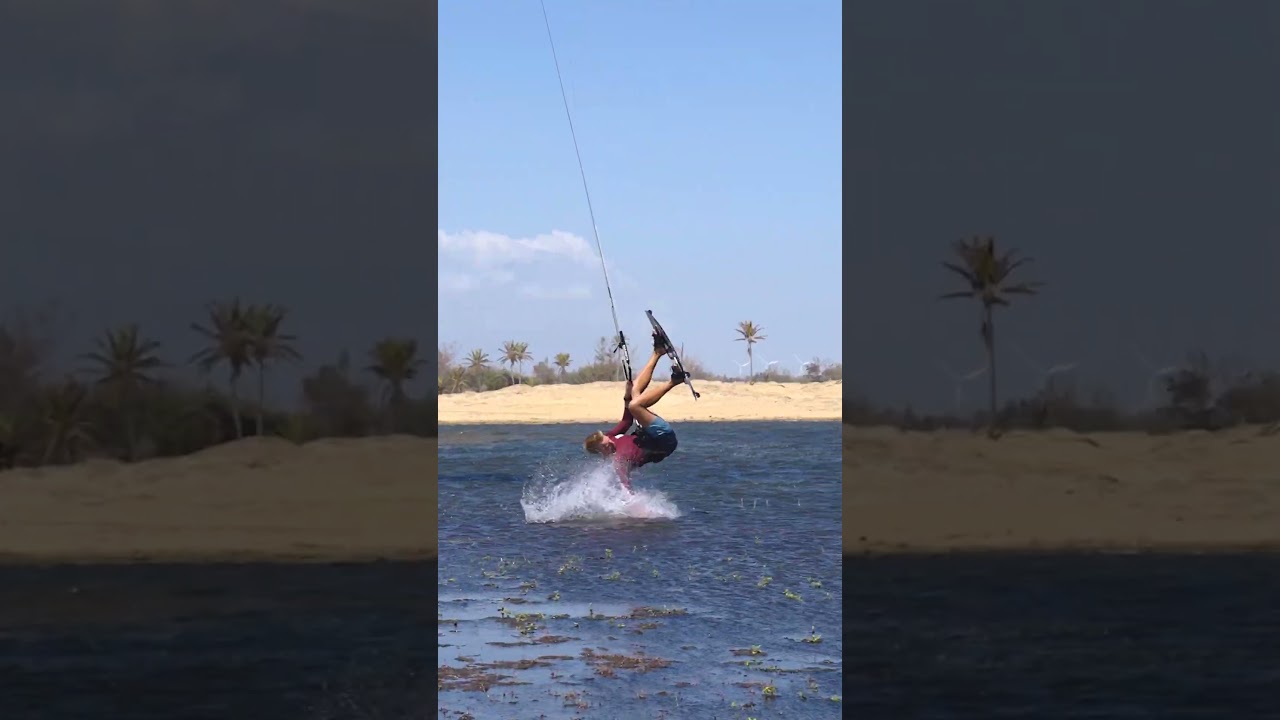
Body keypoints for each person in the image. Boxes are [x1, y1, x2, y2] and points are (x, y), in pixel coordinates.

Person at [583, 331, 688, 492]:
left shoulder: (610, 437)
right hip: (664, 441)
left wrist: (626, 395)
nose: (609, 440)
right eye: (605, 444)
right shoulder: (619, 460)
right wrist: (632, 501)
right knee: (635, 406)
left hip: (649, 431)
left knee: (633, 393)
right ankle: (674, 381)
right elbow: (625, 484)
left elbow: (627, 421)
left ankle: (658, 352)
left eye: (606, 438)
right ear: (601, 451)